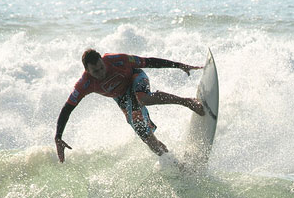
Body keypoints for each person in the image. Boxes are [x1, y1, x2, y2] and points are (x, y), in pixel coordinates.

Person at [54, 49, 205, 163]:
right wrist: (58, 137)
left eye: (101, 67)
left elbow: (148, 61)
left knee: (143, 98)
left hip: (136, 78)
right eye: (95, 71)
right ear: (87, 71)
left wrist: (178, 65)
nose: (101, 73)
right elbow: (67, 109)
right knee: (144, 135)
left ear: (102, 60)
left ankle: (187, 102)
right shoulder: (84, 84)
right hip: (122, 97)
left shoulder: (117, 60)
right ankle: (174, 162)